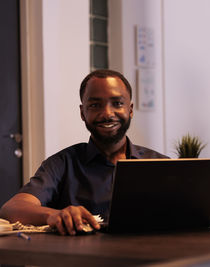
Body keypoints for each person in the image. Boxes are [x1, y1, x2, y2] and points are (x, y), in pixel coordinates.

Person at [0, 69, 167, 236]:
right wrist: (55, 214)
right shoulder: (61, 164)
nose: (107, 114)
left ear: (130, 110)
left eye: (117, 103)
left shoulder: (162, 165)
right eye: (95, 105)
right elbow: (12, 209)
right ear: (82, 112)